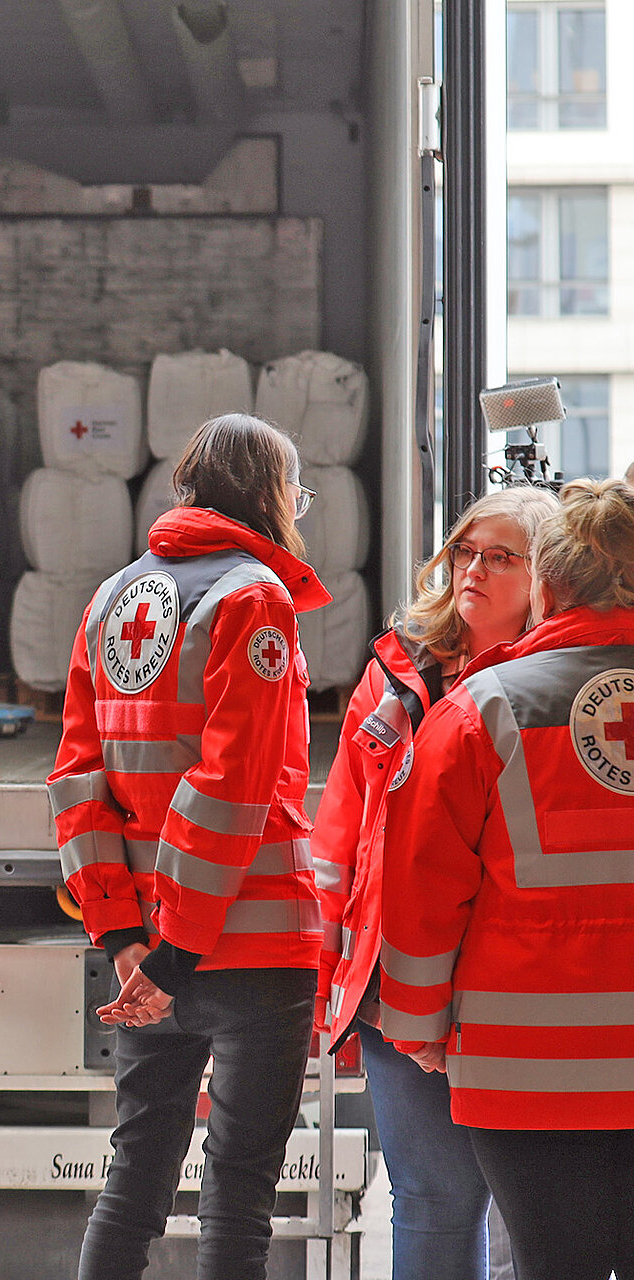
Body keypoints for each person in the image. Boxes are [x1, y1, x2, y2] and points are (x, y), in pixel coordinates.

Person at [48, 413, 329, 1280]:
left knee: (133, 1184)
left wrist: (122, 937)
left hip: (150, 952)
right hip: (248, 943)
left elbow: (78, 780)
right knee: (238, 1202)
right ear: (270, 495)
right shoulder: (253, 599)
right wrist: (175, 952)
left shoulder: (111, 599)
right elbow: (232, 788)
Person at [379, 478, 634, 1280]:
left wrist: (417, 1025)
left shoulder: (480, 711)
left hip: (525, 1072)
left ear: (549, 586)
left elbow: (420, 892)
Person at [312, 487, 556, 1280]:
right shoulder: (395, 668)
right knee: (429, 1201)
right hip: (397, 979)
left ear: (545, 572)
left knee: (538, 1212)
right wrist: (328, 963)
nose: (473, 570)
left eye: (501, 557)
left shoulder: (563, 682)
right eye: (464, 551)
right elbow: (340, 829)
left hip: (512, 986)